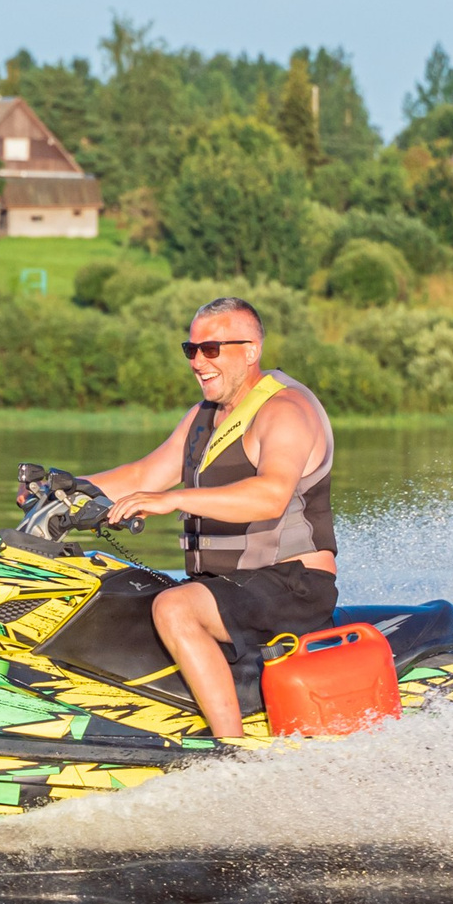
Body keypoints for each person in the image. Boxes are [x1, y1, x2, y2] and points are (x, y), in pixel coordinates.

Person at [73, 296, 337, 738]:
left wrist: (177, 500)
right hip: (228, 587)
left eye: (210, 350)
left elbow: (271, 495)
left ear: (250, 351)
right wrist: (65, 488)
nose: (197, 361)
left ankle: (229, 751)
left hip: (293, 584)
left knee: (175, 607)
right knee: (114, 591)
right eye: (190, 350)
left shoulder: (285, 411)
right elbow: (143, 474)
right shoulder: (204, 417)